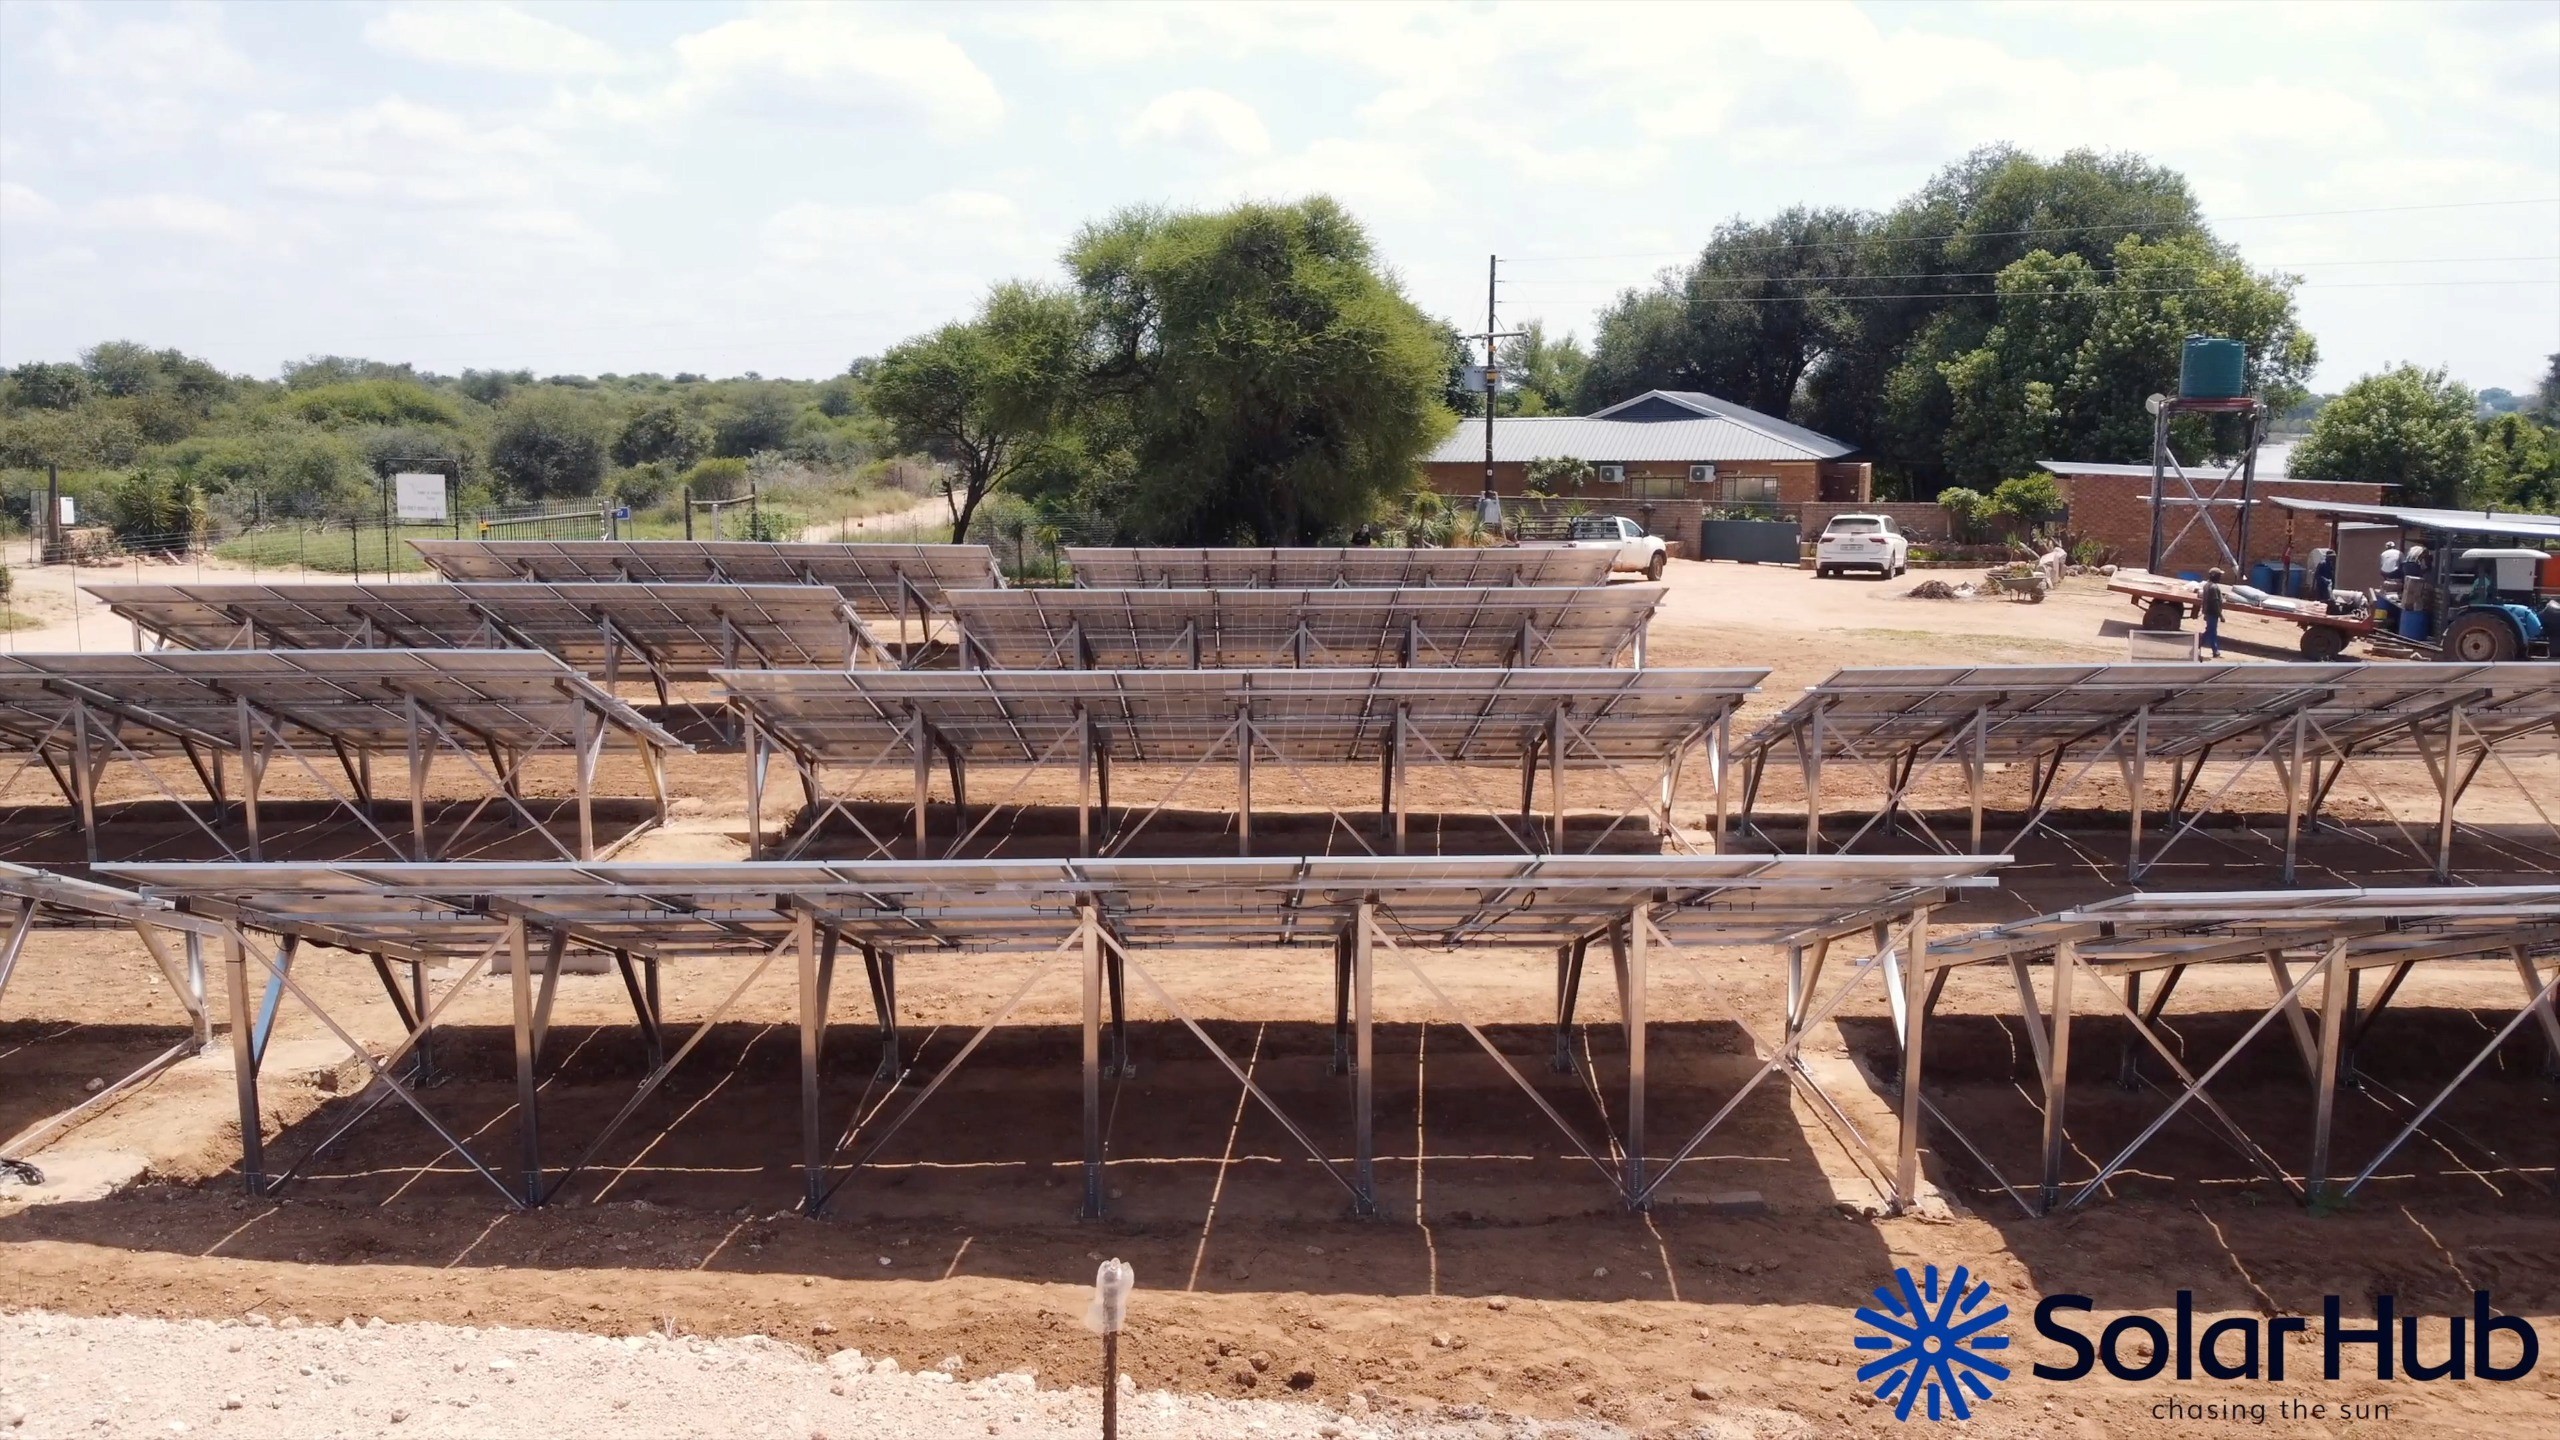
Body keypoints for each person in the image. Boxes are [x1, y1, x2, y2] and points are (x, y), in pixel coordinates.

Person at [2199, 568, 2226, 658]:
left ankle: (2198, 645)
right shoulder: (2214, 587)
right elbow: (2215, 603)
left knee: (2209, 631)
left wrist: (2204, 612)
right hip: (2213, 613)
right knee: (2212, 632)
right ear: (2214, 576)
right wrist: (2220, 615)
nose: (2220, 578)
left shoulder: (2206, 585)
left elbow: (2204, 601)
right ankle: (2215, 651)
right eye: (2219, 576)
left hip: (2208, 612)